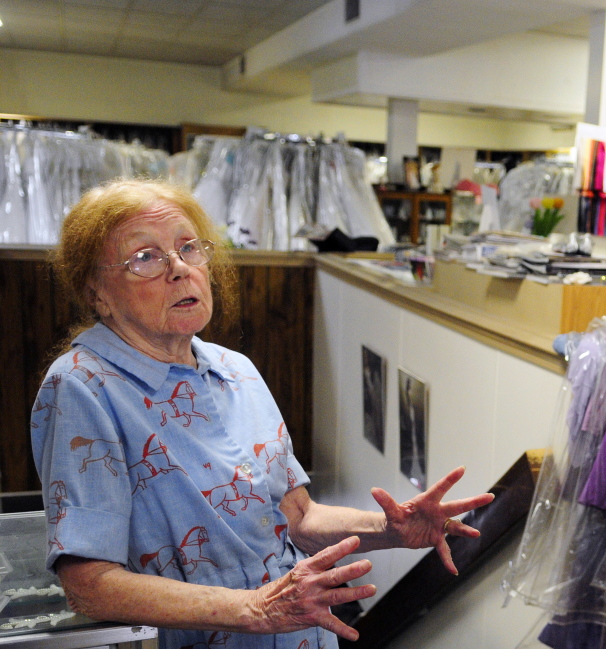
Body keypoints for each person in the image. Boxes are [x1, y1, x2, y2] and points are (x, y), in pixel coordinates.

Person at [30, 179, 494, 649]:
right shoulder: (82, 387)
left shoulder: (237, 371)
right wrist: (255, 609)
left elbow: (298, 519)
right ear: (96, 293)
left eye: (189, 248)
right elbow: (88, 584)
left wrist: (390, 528)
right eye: (145, 258)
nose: (179, 269)